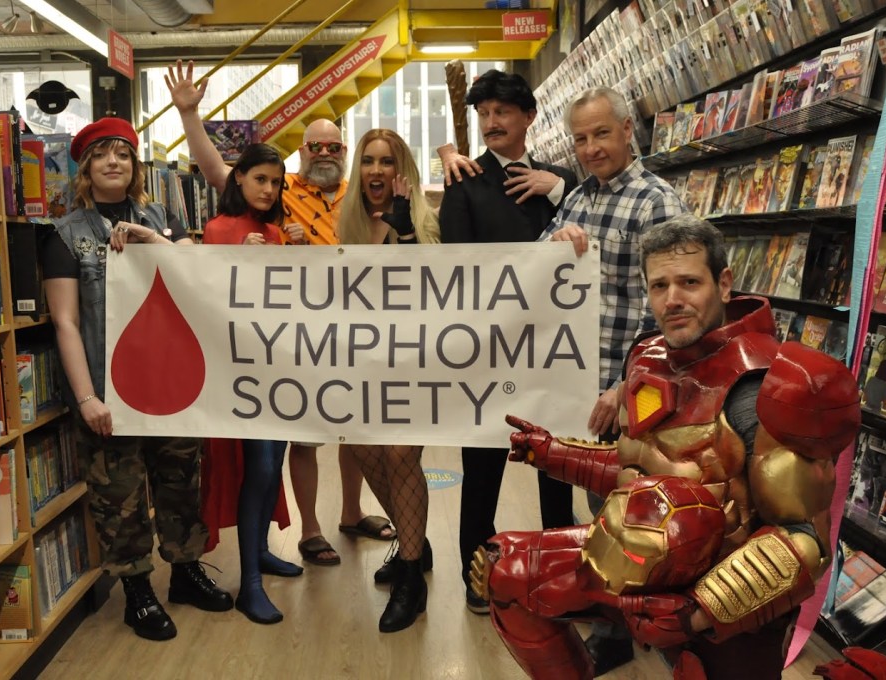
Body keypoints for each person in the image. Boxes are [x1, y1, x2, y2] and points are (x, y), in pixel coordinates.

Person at [470, 215, 861, 679]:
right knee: (509, 572)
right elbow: (638, 469)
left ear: (724, 284)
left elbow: (803, 542)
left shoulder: (768, 386)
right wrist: (551, 453)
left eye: (689, 282)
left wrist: (699, 611)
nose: (672, 299)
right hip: (640, 558)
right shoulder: (649, 358)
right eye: (659, 286)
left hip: (726, 602)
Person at [166, 60, 394, 569]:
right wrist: (189, 116)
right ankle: (310, 529)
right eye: (315, 146)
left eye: (334, 147)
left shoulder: (361, 192)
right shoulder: (280, 190)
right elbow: (218, 174)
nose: (325, 154)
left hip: (355, 330)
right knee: (306, 434)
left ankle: (352, 511)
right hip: (297, 336)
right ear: (302, 151)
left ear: (345, 152)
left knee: (354, 428)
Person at [42, 118, 233, 641]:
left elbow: (199, 279)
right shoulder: (66, 236)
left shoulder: (161, 217)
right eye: (102, 154)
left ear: (135, 167)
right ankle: (137, 591)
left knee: (181, 482)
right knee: (120, 495)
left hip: (169, 384)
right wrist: (86, 397)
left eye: (123, 154)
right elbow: (66, 322)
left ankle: (186, 572)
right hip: (110, 391)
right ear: (86, 168)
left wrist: (154, 241)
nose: (114, 163)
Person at [539, 86, 688, 672]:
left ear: (629, 130)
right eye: (580, 139)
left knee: (638, 511)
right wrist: (552, 244)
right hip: (584, 384)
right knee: (604, 506)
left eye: (602, 133)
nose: (591, 148)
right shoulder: (576, 200)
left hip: (635, 393)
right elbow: (531, 270)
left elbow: (674, 311)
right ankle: (620, 621)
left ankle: (642, 629)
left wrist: (626, 385)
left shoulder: (657, 203)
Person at [437, 69, 579, 616]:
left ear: (528, 117)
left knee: (557, 468)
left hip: (555, 351)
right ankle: (478, 575)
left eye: (502, 112)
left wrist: (557, 188)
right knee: (482, 469)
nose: (491, 122)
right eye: (484, 114)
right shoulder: (465, 182)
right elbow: (456, 271)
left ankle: (562, 574)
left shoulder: (564, 181)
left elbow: (589, 230)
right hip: (490, 353)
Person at [337, 128, 440, 633]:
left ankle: (410, 578)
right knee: (361, 445)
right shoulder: (350, 222)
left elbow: (442, 285)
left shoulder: (423, 217)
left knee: (400, 454)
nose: (377, 170)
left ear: (402, 170)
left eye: (387, 161)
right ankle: (413, 539)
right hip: (366, 358)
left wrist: (408, 236)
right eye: (369, 161)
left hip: (417, 357)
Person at [201, 142, 307, 624]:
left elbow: (296, 301)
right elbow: (209, 299)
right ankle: (249, 585)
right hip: (242, 369)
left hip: (279, 366)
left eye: (276, 182)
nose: (268, 189)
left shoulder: (278, 233)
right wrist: (237, 263)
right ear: (238, 177)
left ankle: (260, 551)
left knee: (273, 465)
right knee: (259, 468)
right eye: (260, 179)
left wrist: (302, 255)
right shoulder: (218, 230)